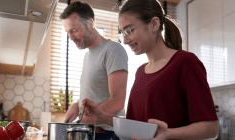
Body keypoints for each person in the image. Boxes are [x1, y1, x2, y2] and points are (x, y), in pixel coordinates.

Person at [81, 0, 219, 139]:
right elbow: (136, 125)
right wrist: (102, 117)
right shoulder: (140, 72)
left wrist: (168, 134)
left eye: (129, 30)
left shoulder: (186, 63)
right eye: (122, 33)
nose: (125, 40)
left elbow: (211, 127)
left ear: (154, 24)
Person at [60, 1, 129, 140]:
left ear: (90, 23)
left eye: (74, 30)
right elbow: (96, 92)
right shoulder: (88, 55)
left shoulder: (113, 50)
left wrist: (87, 119)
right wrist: (77, 105)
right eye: (68, 32)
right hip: (91, 133)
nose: (71, 37)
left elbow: (117, 100)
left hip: (108, 135)